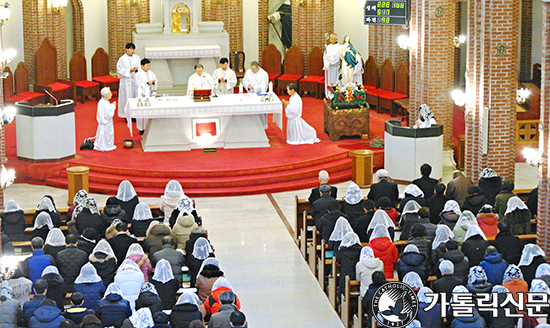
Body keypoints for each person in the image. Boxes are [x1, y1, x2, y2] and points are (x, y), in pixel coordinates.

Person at [116, 42, 140, 118]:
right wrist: (129, 70)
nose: (132, 51)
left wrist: (136, 70)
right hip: (126, 81)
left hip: (134, 80)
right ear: (126, 49)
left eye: (133, 49)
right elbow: (119, 70)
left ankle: (134, 114)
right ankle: (126, 114)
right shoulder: (122, 59)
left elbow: (139, 67)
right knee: (126, 97)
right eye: (130, 49)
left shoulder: (137, 58)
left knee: (135, 96)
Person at [335, 232, 362, 296]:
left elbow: (338, 260)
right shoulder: (361, 250)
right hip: (357, 275)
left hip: (345, 275)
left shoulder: (341, 251)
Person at [134, 58, 157, 133]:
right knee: (142, 113)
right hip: (141, 95)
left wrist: (153, 82)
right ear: (142, 66)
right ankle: (141, 128)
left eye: (149, 65)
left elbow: (155, 79)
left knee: (149, 112)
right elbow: (138, 85)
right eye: (147, 66)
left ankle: (149, 127)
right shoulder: (138, 74)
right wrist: (147, 83)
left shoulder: (151, 72)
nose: (148, 67)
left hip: (149, 94)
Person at [323, 33, 340, 97]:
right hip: (328, 66)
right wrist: (327, 60)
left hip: (334, 67)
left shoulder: (338, 47)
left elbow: (337, 57)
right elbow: (325, 55)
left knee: (334, 80)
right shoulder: (328, 46)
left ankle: (334, 94)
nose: (331, 40)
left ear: (336, 39)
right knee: (328, 80)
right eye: (330, 39)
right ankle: (328, 94)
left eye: (333, 39)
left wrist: (330, 60)